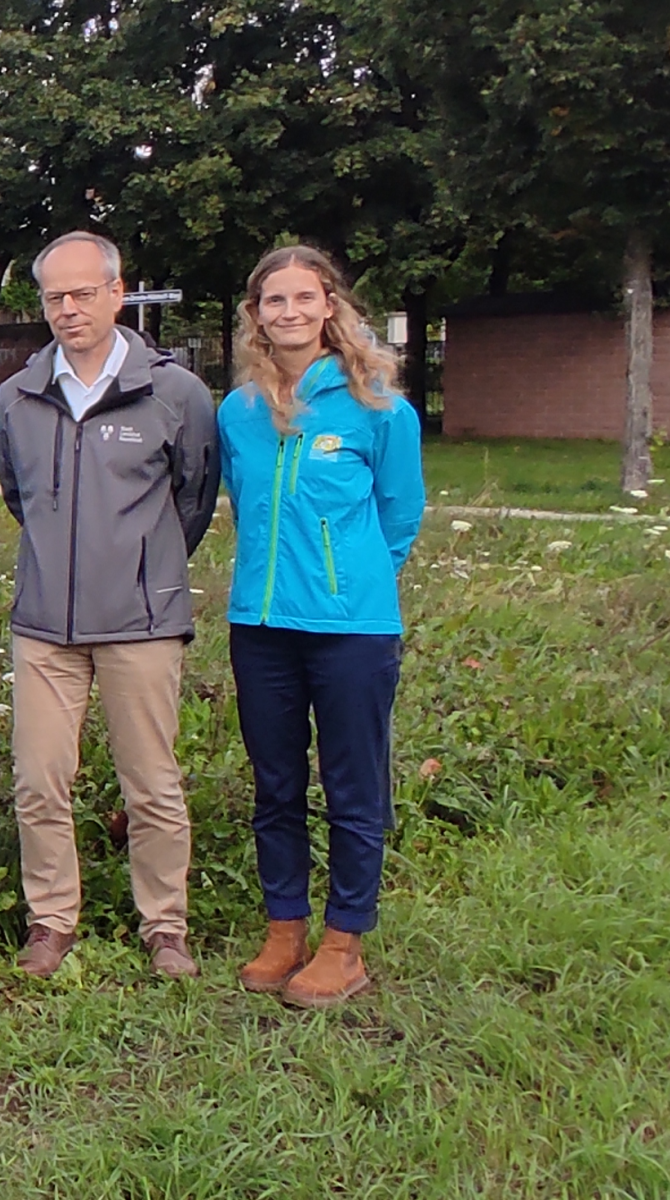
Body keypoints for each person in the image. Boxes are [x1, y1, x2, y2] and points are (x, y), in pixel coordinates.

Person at [0, 231, 220, 979]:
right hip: (45, 625)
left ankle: (165, 926)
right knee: (38, 779)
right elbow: (18, 496)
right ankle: (52, 920)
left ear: (118, 293)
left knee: (151, 783)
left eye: (83, 293)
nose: (68, 310)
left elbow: (193, 498)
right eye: (55, 296)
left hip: (142, 624)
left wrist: (143, 567)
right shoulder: (18, 397)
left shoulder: (176, 394)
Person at [217, 245, 425, 1008]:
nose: (291, 312)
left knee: (352, 785)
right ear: (257, 315)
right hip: (262, 624)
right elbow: (243, 499)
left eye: (306, 298)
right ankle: (285, 928)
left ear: (330, 306)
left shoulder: (378, 407)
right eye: (275, 300)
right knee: (275, 785)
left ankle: (345, 942)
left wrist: (352, 576)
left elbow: (400, 512)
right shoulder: (238, 412)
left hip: (352, 629)